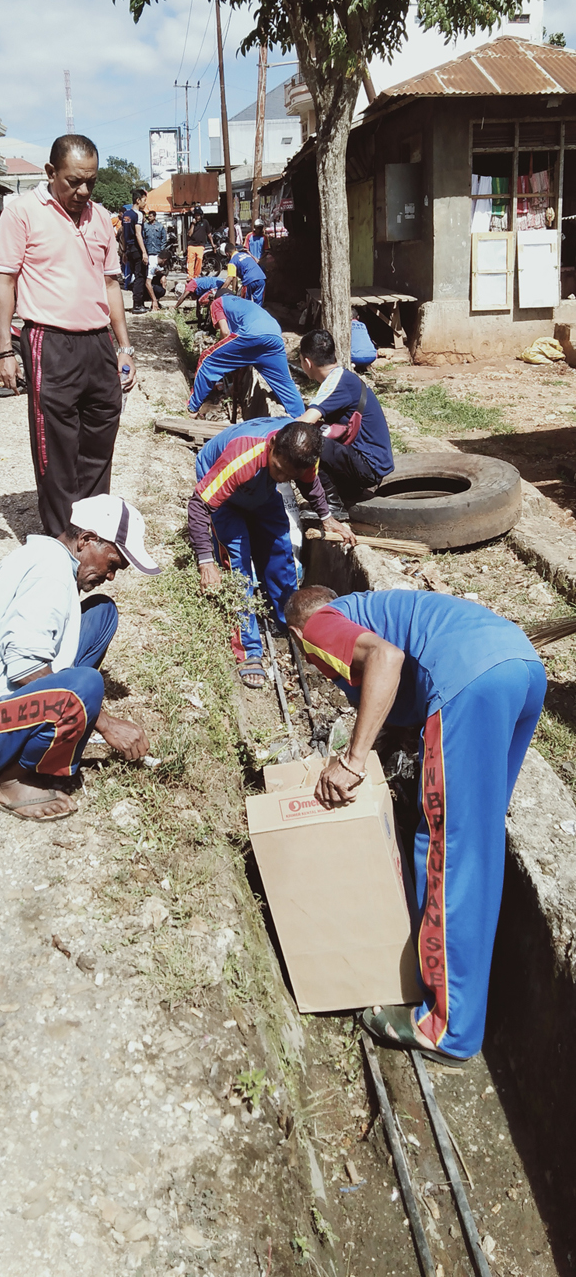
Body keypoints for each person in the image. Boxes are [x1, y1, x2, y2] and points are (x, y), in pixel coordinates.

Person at [286, 585, 546, 1064]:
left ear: (297, 633)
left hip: (471, 681)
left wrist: (353, 759)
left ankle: (448, 1029)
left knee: (450, 853)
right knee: (478, 846)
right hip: (522, 668)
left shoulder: (318, 625)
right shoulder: (382, 609)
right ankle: (472, 989)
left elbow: (386, 659)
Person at [0, 494, 160, 822]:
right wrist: (105, 724)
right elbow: (26, 666)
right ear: (87, 540)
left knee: (101, 614)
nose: (111, 576)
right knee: (86, 685)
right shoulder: (50, 574)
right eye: (113, 564)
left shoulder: (46, 557)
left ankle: (58, 726)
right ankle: (9, 778)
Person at [0, 134, 136, 538]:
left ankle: (89, 533)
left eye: (90, 180)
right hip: (49, 341)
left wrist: (124, 347)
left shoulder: (100, 217)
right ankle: (62, 540)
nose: (83, 190)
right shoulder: (22, 213)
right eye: (74, 181)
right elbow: (6, 282)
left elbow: (111, 286)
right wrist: (5, 349)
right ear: (51, 172)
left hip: (98, 344)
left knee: (100, 439)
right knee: (55, 446)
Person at [188, 419, 353, 688]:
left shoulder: (304, 455)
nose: (282, 478)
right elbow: (199, 506)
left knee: (280, 552)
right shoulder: (243, 456)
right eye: (279, 469)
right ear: (273, 444)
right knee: (237, 565)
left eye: (288, 477)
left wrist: (327, 517)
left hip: (260, 490)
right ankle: (248, 649)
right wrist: (205, 561)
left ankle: (286, 617)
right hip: (224, 493)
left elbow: (309, 484)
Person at [298, 328, 393, 519]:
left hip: (369, 465)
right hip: (365, 460)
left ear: (307, 362)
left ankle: (332, 505)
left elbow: (304, 422)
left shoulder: (337, 383)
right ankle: (335, 494)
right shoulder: (342, 378)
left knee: (304, 439)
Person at [188, 292, 305, 420]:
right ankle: (303, 420)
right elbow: (244, 355)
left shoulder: (218, 302)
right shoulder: (245, 305)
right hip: (274, 335)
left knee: (207, 360)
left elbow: (225, 332)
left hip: (254, 334)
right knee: (285, 384)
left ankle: (192, 408)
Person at [122, 187, 149, 313]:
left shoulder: (126, 215)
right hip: (137, 249)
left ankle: (138, 303)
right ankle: (137, 305)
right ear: (138, 200)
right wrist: (144, 252)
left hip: (129, 249)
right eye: (144, 200)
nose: (145, 203)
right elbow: (138, 234)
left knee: (133, 275)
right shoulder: (138, 215)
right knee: (140, 276)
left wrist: (124, 251)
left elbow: (122, 233)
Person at [221, 242, 267, 306]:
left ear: (227, 254)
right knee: (258, 305)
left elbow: (230, 278)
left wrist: (220, 291)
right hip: (261, 278)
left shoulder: (232, 261)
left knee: (245, 304)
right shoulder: (245, 254)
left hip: (249, 281)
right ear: (235, 249)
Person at [186, 207, 214, 279]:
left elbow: (209, 234)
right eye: (195, 215)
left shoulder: (205, 222)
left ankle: (196, 274)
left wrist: (212, 244)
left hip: (200, 245)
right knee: (190, 261)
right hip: (191, 244)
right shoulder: (192, 224)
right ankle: (190, 276)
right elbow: (189, 234)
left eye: (198, 215)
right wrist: (192, 224)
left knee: (199, 259)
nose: (197, 217)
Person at [143, 209, 167, 281]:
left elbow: (164, 238)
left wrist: (162, 249)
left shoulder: (160, 226)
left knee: (157, 269)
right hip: (149, 251)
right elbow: (143, 238)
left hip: (157, 251)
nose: (149, 218)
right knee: (150, 269)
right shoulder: (145, 226)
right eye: (148, 216)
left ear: (154, 217)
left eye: (150, 216)